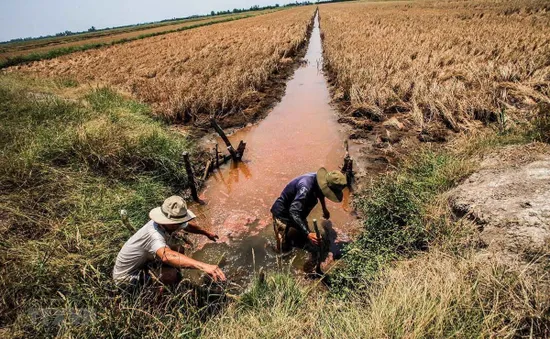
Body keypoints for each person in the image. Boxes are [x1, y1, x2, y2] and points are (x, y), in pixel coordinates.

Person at [113, 196, 226, 288]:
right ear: (169, 222)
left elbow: (188, 226)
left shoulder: (167, 223)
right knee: (171, 275)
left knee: (179, 250)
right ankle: (162, 296)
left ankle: (172, 281)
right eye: (178, 223)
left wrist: (207, 233)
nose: (181, 225)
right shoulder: (154, 235)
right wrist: (203, 266)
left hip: (143, 262)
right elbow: (166, 256)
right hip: (126, 277)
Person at [270, 167, 347, 254]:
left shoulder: (320, 182)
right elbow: (293, 212)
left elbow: (320, 193)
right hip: (282, 213)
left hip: (299, 211)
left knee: (302, 238)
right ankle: (280, 255)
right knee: (283, 247)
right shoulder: (306, 187)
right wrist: (308, 233)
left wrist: (324, 208)